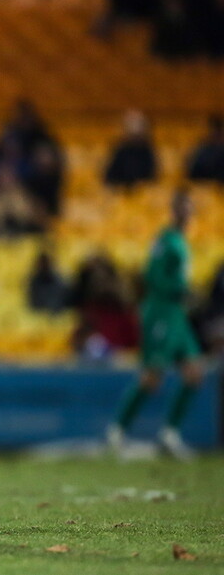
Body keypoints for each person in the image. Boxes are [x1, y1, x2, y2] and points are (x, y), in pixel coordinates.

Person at [107, 190, 203, 459]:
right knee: (152, 376)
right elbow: (152, 274)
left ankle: (169, 435)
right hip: (161, 310)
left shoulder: (182, 241)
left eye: (190, 208)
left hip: (176, 314)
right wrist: (180, 289)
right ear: (174, 211)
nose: (186, 214)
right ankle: (117, 431)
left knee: (194, 372)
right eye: (182, 208)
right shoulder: (165, 239)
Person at [103, 109, 158, 188]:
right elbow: (109, 175)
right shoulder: (120, 150)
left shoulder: (147, 150)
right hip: (121, 190)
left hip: (141, 191)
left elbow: (152, 176)